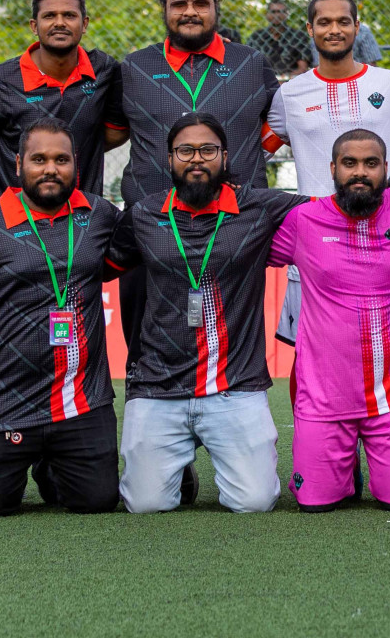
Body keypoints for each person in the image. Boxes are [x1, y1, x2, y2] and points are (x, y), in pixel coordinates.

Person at [107, 112, 307, 513]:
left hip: (235, 386)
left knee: (254, 503)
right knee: (144, 505)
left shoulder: (260, 208)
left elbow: (332, 208)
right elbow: (99, 266)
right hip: (158, 386)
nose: (196, 159)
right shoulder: (143, 215)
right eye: (185, 151)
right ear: (169, 160)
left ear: (226, 157)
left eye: (207, 150)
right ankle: (179, 472)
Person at [0, 118, 122, 516]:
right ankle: (34, 459)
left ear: (76, 163)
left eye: (61, 159)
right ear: (18, 163)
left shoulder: (100, 216)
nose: (50, 169)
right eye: (39, 159)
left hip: (81, 401)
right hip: (6, 400)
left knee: (97, 502)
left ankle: (52, 464)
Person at [268, 129, 390, 511]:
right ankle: (342, 467)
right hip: (324, 400)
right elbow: (241, 251)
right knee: (315, 507)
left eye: (371, 164)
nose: (360, 172)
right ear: (333, 169)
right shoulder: (303, 220)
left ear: (387, 169)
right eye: (350, 163)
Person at [115, 0, 280, 361]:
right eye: (179, 4)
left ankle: (235, 401)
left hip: (231, 226)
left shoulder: (251, 64)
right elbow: (107, 132)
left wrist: (244, 168)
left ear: (216, 8)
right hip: (151, 222)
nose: (190, 11)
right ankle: (146, 396)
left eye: (201, 3)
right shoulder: (134, 68)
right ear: (165, 9)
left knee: (235, 339)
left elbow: (280, 133)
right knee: (145, 342)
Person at [265, 0, 390, 346]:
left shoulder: (386, 83)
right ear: (310, 28)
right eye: (324, 22)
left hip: (381, 236)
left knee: (378, 344)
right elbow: (263, 147)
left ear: (357, 27)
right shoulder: (289, 96)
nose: (334, 29)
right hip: (314, 240)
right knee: (309, 349)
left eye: (343, 22)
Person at [0, 0, 128, 212]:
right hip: (12, 223)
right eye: (50, 15)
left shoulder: (105, 71)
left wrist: (78, 146)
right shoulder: (1, 81)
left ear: (84, 24)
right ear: (34, 25)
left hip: (80, 222)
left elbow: (118, 130)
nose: (59, 23)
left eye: (69, 15)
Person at [248, 0, 311, 76]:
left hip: (291, 82)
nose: (277, 15)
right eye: (273, 12)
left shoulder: (298, 36)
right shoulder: (256, 37)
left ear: (287, 14)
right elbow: (249, 66)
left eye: (281, 12)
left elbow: (302, 68)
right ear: (267, 14)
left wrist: (285, 81)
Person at [311, 20, 382, 68]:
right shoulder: (318, 33)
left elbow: (371, 64)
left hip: (359, 78)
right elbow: (318, 65)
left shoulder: (363, 31)